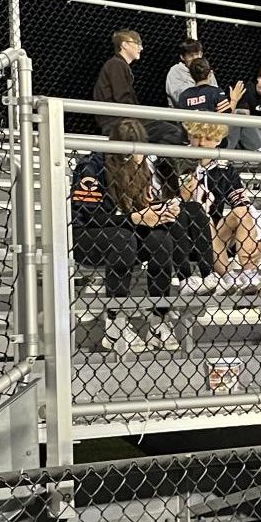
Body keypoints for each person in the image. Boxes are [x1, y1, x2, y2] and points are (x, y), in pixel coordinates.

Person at [70, 118, 197, 350]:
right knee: (123, 238)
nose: (138, 157)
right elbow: (88, 217)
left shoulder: (141, 167)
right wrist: (135, 219)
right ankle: (115, 323)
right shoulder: (92, 166)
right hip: (87, 237)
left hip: (124, 232)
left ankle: (158, 319)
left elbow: (140, 211)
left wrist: (160, 211)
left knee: (161, 238)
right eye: (132, 152)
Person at [182, 121, 261, 291]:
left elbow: (245, 205)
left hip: (217, 235)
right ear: (188, 137)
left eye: (208, 138)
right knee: (202, 216)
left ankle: (249, 273)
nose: (201, 143)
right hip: (185, 236)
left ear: (217, 140)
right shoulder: (177, 162)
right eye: (196, 137)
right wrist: (183, 194)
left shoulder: (224, 169)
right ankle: (228, 276)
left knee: (241, 212)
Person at [90, 29, 143, 136]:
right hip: (119, 122)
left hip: (120, 120)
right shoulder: (116, 64)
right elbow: (123, 98)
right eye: (137, 43)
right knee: (170, 132)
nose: (141, 48)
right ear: (124, 45)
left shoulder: (118, 65)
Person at [164, 39, 204, 106]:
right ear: (182, 57)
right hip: (183, 113)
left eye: (197, 54)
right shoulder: (176, 71)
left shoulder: (206, 70)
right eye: (191, 55)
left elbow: (215, 93)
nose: (195, 58)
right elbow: (180, 98)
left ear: (201, 54)